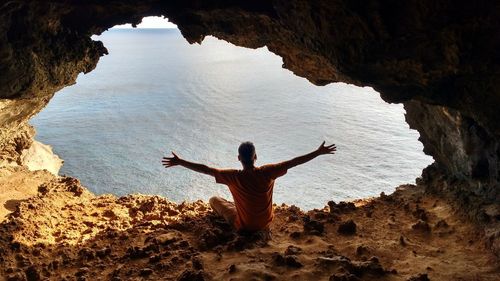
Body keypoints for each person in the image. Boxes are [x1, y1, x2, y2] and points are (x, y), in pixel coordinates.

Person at [162, 141, 336, 232]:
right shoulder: (268, 172)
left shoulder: (233, 177)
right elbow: (294, 162)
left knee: (214, 199)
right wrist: (318, 152)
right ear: (256, 157)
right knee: (235, 202)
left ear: (239, 158)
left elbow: (206, 170)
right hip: (266, 222)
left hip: (244, 226)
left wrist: (180, 162)